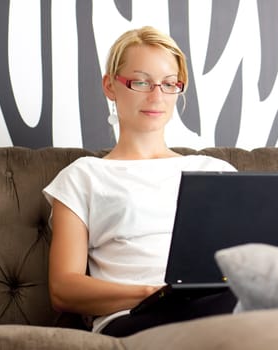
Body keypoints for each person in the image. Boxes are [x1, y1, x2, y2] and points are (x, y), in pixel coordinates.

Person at [43, 26, 237, 337]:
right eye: (141, 82)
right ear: (110, 86)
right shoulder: (84, 176)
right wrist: (154, 293)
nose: (156, 96)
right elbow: (63, 289)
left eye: (169, 84)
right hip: (134, 318)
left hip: (220, 307)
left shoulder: (215, 170)